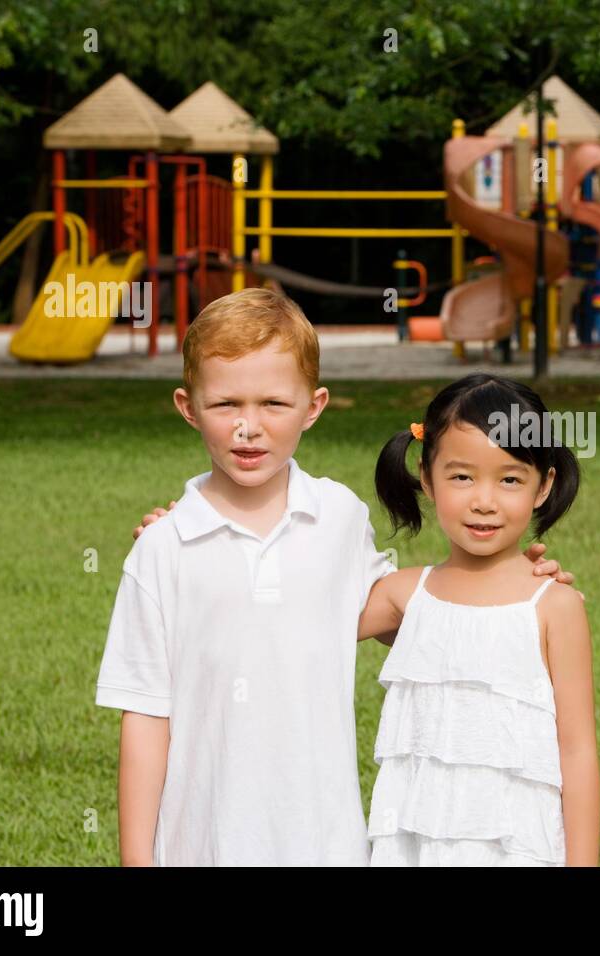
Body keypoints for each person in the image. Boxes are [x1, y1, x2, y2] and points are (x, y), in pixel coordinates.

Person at [98, 290, 572, 866]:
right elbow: (144, 720)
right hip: (201, 846)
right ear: (188, 406)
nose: (249, 427)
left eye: (274, 402)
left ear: (314, 406)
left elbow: (405, 615)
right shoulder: (163, 549)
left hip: (326, 844)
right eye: (226, 404)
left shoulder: (339, 517)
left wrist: (512, 582)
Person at [359, 373, 600, 865]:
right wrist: (168, 546)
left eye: (510, 479)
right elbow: (298, 619)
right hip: (416, 843)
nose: (484, 501)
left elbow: (577, 754)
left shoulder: (555, 606)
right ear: (426, 477)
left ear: (543, 486)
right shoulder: (403, 594)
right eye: (462, 476)